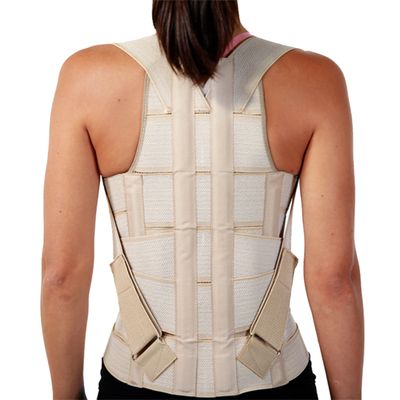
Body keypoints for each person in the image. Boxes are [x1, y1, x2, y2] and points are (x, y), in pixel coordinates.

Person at [40, 0, 364, 399]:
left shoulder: (87, 79)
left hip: (137, 383)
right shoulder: (316, 81)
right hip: (274, 383)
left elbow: (61, 276)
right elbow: (335, 281)